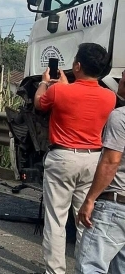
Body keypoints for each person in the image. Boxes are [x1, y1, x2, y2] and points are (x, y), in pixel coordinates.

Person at [34, 43, 116, 274]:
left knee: (56, 220)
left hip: (62, 158)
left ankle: (55, 271)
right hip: (94, 160)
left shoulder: (59, 92)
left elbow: (39, 103)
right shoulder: (110, 97)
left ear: (77, 66)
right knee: (85, 219)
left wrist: (43, 83)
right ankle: (84, 269)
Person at [76, 69, 125, 274]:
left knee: (90, 266)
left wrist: (90, 199)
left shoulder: (120, 116)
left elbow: (111, 161)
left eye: (123, 76)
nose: (120, 80)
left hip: (115, 204)